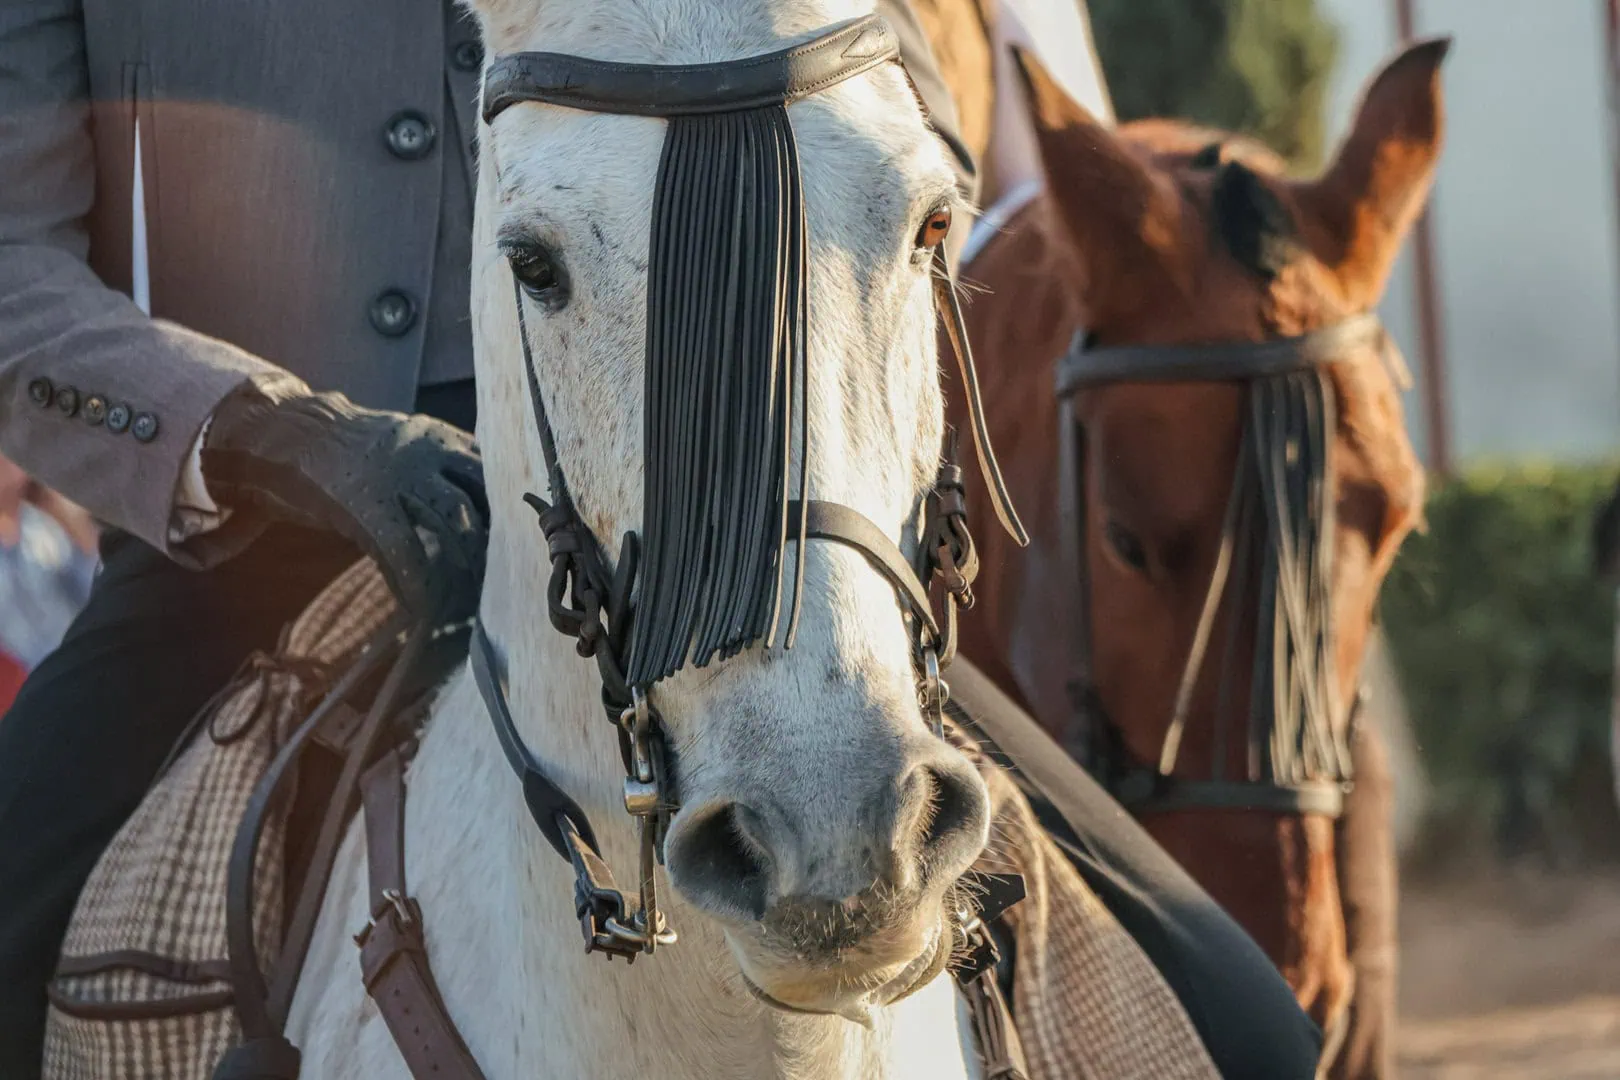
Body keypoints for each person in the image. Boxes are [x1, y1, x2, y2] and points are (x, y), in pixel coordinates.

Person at [0, 2, 1320, 1077]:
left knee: (1241, 1030)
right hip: (246, 533)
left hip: (693, 512)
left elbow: (885, 121)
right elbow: (13, 277)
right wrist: (278, 437)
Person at [0, 454, 98, 715]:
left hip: (96, 658)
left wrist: (69, 519)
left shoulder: (42, 522)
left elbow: (94, 581)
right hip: (56, 692)